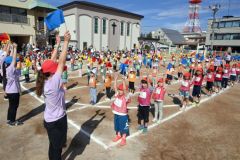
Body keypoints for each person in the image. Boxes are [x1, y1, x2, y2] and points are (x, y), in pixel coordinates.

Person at [36, 31, 71, 160]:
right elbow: (60, 62)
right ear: (52, 72)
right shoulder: (54, 82)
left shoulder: (45, 79)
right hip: (58, 120)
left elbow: (51, 61)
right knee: (57, 149)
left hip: (49, 120)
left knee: (53, 145)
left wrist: (57, 44)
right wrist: (66, 42)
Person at [5, 43, 22, 126]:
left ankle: (9, 119)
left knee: (11, 106)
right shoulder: (11, 69)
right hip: (13, 92)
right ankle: (12, 121)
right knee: (14, 106)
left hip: (10, 91)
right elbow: (14, 59)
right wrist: (15, 48)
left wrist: (11, 48)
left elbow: (12, 59)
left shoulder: (8, 69)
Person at [111, 73, 131, 146]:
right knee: (117, 125)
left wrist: (123, 81)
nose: (120, 91)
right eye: (119, 90)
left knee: (124, 126)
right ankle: (119, 135)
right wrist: (115, 80)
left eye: (121, 90)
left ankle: (123, 138)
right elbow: (115, 88)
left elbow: (125, 90)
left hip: (123, 115)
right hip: (116, 113)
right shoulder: (117, 94)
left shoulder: (125, 97)